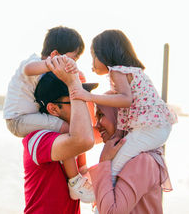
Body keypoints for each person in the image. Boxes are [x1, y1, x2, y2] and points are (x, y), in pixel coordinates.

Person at [71, 29, 177, 185]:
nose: (92, 62)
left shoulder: (117, 72)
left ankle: (101, 199)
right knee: (120, 159)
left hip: (149, 130)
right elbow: (120, 95)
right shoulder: (131, 71)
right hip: (156, 127)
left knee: (115, 165)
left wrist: (89, 96)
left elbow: (126, 99)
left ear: (106, 54)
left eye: (94, 56)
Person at [3, 26, 95, 202]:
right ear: (54, 55)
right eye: (73, 58)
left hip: (27, 118)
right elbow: (28, 69)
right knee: (68, 129)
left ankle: (79, 172)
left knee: (71, 129)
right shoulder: (34, 63)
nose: (75, 63)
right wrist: (51, 65)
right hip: (18, 120)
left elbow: (89, 135)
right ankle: (75, 181)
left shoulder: (46, 75)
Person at [22, 57, 95, 213]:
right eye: (76, 100)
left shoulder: (72, 134)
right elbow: (84, 140)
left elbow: (94, 134)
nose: (82, 105)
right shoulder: (37, 139)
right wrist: (73, 83)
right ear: (53, 109)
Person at [89, 104, 172, 214]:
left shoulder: (142, 161)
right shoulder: (123, 156)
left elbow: (111, 211)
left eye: (101, 115)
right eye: (96, 118)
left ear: (121, 118)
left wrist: (104, 162)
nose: (97, 125)